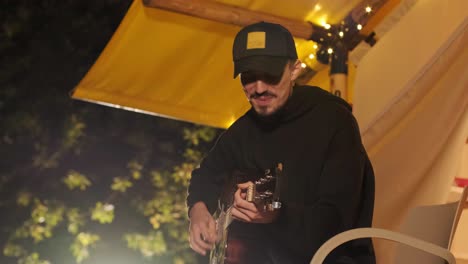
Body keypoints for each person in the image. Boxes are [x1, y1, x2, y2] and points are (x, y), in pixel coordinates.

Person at [187, 21, 376, 264]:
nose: (259, 88)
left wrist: (277, 216)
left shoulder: (334, 121)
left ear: (295, 69)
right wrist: (198, 210)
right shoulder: (244, 130)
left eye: (270, 75)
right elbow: (205, 174)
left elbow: (335, 221)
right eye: (249, 77)